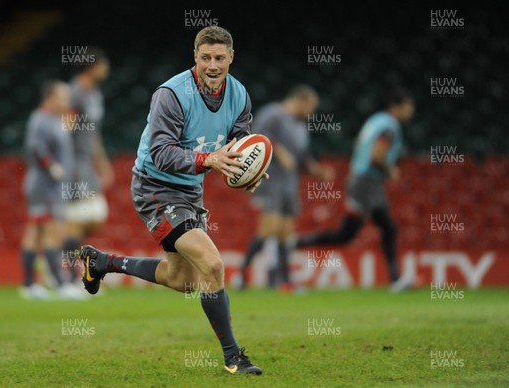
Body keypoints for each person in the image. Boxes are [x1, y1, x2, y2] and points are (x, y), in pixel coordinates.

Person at [78, 26, 264, 374]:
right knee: (212, 265)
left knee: (186, 281)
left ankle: (102, 262)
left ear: (231, 59)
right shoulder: (172, 94)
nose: (212, 64)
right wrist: (208, 160)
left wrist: (249, 171)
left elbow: (241, 143)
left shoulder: (239, 95)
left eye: (219, 58)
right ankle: (233, 356)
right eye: (205, 57)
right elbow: (162, 153)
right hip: (155, 185)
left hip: (191, 189)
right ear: (195, 57)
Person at [294, 89, 415, 292]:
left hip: (362, 180)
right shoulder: (390, 128)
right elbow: (377, 156)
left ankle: (396, 279)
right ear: (398, 107)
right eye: (408, 107)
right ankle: (395, 279)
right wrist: (390, 170)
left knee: (361, 231)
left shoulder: (376, 120)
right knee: (371, 230)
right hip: (366, 182)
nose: (410, 112)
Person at [238, 85, 334, 291]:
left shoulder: (299, 126)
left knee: (285, 232)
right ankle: (242, 274)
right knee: (268, 229)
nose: (311, 113)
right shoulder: (273, 114)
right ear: (301, 101)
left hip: (290, 185)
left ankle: (286, 281)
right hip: (271, 181)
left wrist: (319, 172)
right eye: (311, 107)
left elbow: (303, 159)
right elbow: (258, 139)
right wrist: (280, 153)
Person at [20, 80, 86, 300]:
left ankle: (29, 285)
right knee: (53, 232)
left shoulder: (56, 120)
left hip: (50, 186)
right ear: (50, 97)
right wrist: (52, 166)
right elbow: (35, 147)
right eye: (63, 97)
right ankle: (59, 285)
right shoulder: (41, 119)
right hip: (44, 184)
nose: (67, 101)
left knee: (36, 233)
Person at [62, 48, 115, 283]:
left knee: (94, 216)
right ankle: (70, 276)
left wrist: (101, 162)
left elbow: (94, 134)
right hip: (73, 163)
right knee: (76, 218)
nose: (106, 68)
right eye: (103, 64)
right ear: (91, 67)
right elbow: (65, 127)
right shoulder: (74, 92)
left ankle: (59, 257)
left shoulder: (95, 95)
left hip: (86, 163)